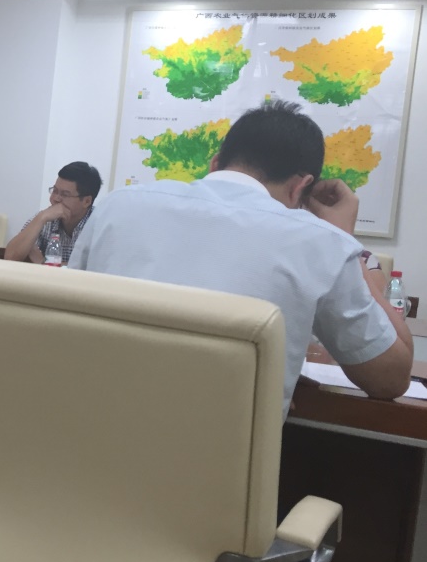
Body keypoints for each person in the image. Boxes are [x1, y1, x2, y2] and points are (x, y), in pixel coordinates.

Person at [70, 101, 412, 420]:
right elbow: (391, 378)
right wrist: (344, 239)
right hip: (216, 459)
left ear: (215, 163)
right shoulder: (321, 242)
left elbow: (69, 321)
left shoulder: (116, 206)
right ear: (301, 187)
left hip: (84, 438)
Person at [5, 161, 102, 264]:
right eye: (55, 191)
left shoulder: (99, 226)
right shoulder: (45, 218)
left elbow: (96, 269)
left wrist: (44, 263)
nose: (55, 198)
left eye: (65, 194)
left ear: (86, 201)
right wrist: (41, 218)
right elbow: (10, 258)